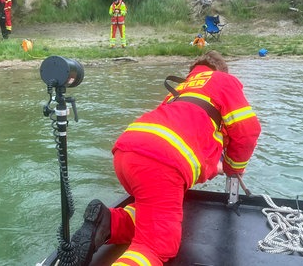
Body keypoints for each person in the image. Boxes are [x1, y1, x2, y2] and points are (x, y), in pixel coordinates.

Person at [70, 50, 262, 266]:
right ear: (220, 70)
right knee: (156, 245)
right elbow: (248, 130)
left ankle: (108, 223)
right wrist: (232, 167)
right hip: (161, 162)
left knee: (152, 210)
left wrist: (217, 166)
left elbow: (190, 148)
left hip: (126, 151)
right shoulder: (223, 80)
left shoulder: (179, 91)